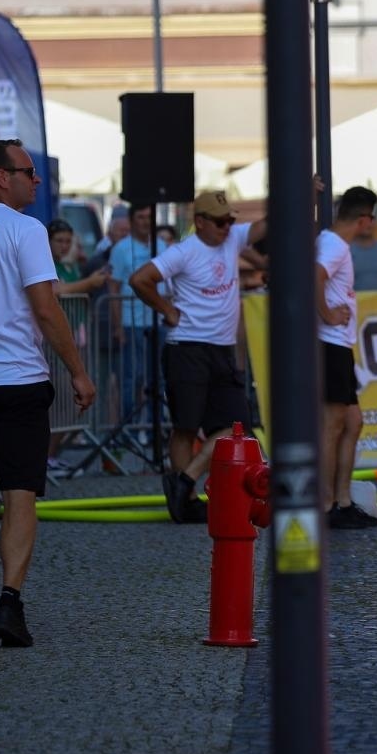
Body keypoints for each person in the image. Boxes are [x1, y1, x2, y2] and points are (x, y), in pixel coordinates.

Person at [0, 139, 97, 647]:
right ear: (2, 178)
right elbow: (46, 309)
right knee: (21, 493)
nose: (36, 180)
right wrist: (79, 372)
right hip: (19, 379)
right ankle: (9, 602)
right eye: (28, 171)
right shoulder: (26, 230)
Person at [128, 190, 266, 524]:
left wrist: (301, 192)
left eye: (230, 220)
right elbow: (139, 279)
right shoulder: (184, 251)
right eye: (220, 221)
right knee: (185, 428)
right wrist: (166, 309)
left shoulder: (232, 239)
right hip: (187, 348)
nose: (227, 227)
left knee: (238, 426)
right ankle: (186, 500)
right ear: (199, 222)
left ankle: (184, 481)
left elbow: (265, 227)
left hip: (220, 350)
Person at [319, 187, 377, 529]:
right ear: (364, 219)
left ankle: (341, 500)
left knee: (352, 422)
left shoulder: (331, 243)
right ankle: (328, 504)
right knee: (333, 426)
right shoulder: (334, 245)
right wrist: (327, 314)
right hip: (329, 343)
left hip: (336, 344)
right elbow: (314, 276)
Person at [108, 202, 160, 425]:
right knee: (132, 377)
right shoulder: (120, 249)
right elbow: (113, 288)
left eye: (149, 217)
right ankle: (129, 427)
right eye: (140, 217)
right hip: (131, 323)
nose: (145, 221)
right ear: (131, 220)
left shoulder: (163, 246)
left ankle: (152, 428)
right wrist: (118, 326)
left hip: (158, 322)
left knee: (157, 379)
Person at [47, 219, 109, 297]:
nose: (64, 246)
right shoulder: (46, 266)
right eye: (59, 241)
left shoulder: (71, 266)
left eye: (68, 241)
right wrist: (90, 282)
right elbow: (56, 289)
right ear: (48, 241)